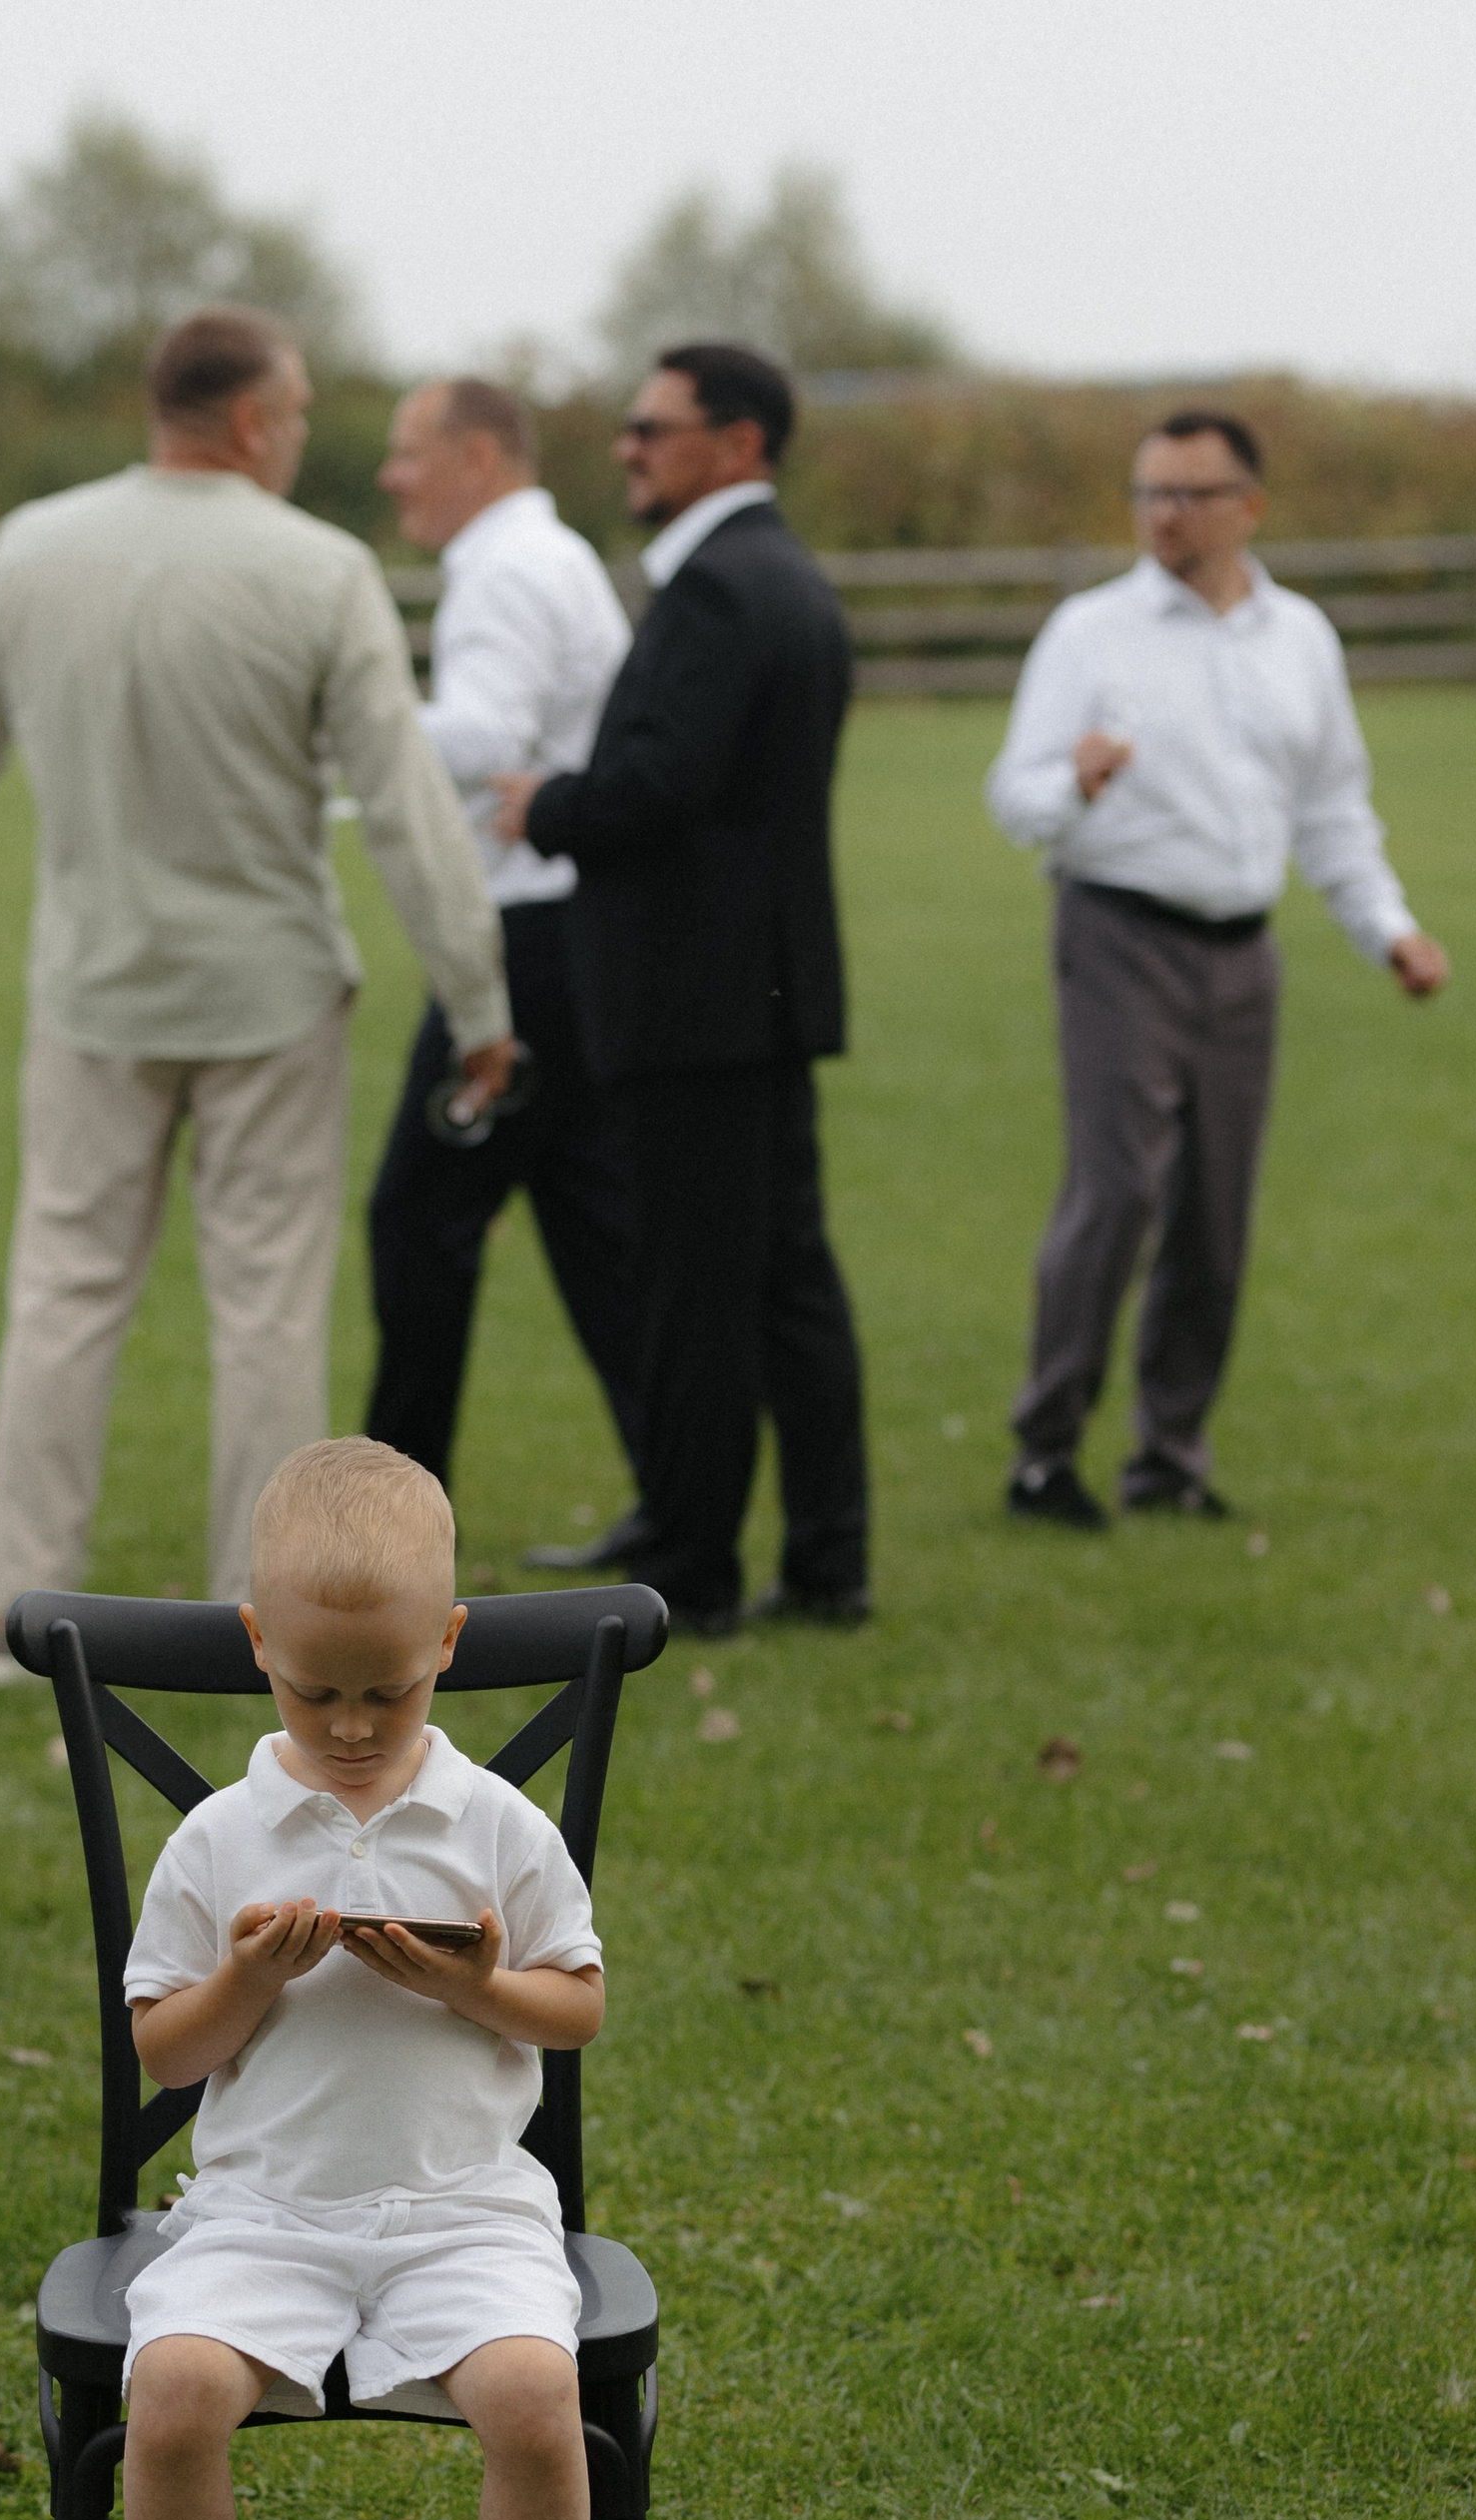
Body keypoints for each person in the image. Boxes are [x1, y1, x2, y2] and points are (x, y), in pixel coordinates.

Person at [52, 1437, 666, 2520]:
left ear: (445, 1645)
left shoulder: (493, 1824)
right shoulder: (219, 1839)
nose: (345, 1726)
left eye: (386, 1692)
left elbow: (576, 2007)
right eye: (311, 1690)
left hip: (465, 2211)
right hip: (262, 2214)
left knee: (531, 2398)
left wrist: (472, 1985)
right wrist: (249, 1982)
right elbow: (165, 2047)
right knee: (175, 2397)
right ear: (258, 1645)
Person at [0, 308, 511, 1683]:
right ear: (249, 421)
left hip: (93, 991)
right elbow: (414, 813)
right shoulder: (319, 569)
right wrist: (479, 1002)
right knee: (267, 1308)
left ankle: (18, 1614)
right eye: (295, 415)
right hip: (269, 992)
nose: (299, 438)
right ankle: (275, 1622)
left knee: (61, 1294)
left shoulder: (32, 546)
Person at [987, 410, 1451, 1527]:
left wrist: (1387, 927)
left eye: (1189, 494)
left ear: (1249, 505)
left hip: (1243, 953)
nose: (1164, 514)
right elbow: (1014, 798)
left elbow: (1332, 805)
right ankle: (1046, 1451)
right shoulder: (1089, 632)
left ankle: (1170, 1456)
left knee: (1214, 1214)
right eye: (1149, 493)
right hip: (1117, 939)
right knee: (1117, 1195)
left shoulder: (1299, 639)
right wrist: (1074, 785)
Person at [499, 344, 868, 1636]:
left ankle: (691, 1565)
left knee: (703, 1290)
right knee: (783, 1279)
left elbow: (661, 787)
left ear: (740, 443)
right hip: (757, 993)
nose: (628, 449)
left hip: (697, 1004)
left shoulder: (719, 590)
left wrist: (543, 803)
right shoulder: (780, 577)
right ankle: (827, 1562)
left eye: (654, 429)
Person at [360, 377, 644, 1516]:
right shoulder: (545, 556)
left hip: (528, 941)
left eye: (406, 452)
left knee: (417, 1219)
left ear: (477, 457)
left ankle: (384, 1520)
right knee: (591, 1229)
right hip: (569, 930)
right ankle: (676, 1497)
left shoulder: (507, 568)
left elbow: (485, 732)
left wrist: (340, 720)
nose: (389, 477)